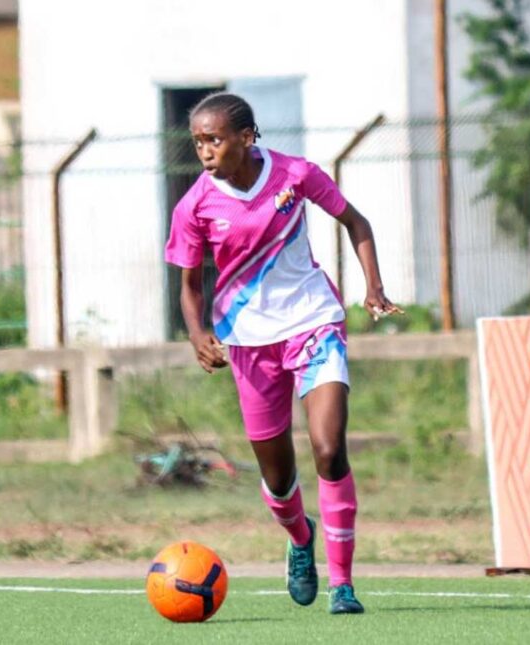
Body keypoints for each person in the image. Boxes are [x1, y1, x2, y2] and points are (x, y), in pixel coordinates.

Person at [164, 92, 401, 615]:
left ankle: (343, 585)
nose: (204, 149)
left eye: (215, 139)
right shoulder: (194, 206)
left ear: (247, 138)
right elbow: (189, 284)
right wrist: (196, 331)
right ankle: (299, 540)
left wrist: (374, 288)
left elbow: (357, 223)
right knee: (277, 476)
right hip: (249, 341)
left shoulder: (295, 175)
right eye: (198, 140)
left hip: (314, 322)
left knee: (328, 448)